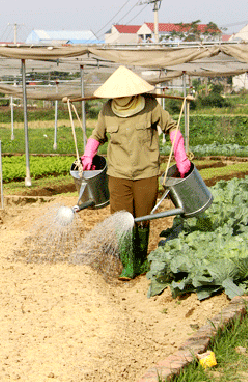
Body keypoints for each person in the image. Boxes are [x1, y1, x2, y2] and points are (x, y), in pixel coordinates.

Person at [80, 66, 191, 280]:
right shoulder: (107, 110)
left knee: (142, 218)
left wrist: (180, 154)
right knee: (122, 219)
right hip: (118, 173)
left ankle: (140, 261)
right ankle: (128, 264)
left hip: (146, 172)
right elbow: (96, 135)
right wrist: (88, 154)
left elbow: (171, 127)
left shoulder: (150, 106)